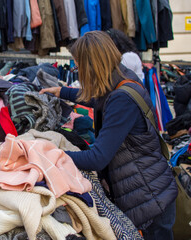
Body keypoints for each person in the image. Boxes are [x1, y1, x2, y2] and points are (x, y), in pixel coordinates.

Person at [40, 31, 178, 240]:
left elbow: (97, 158)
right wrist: (62, 92)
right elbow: (97, 97)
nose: (77, 71)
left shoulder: (121, 100)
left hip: (149, 201)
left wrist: (52, 154)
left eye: (78, 66)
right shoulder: (122, 78)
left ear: (91, 65)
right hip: (149, 190)